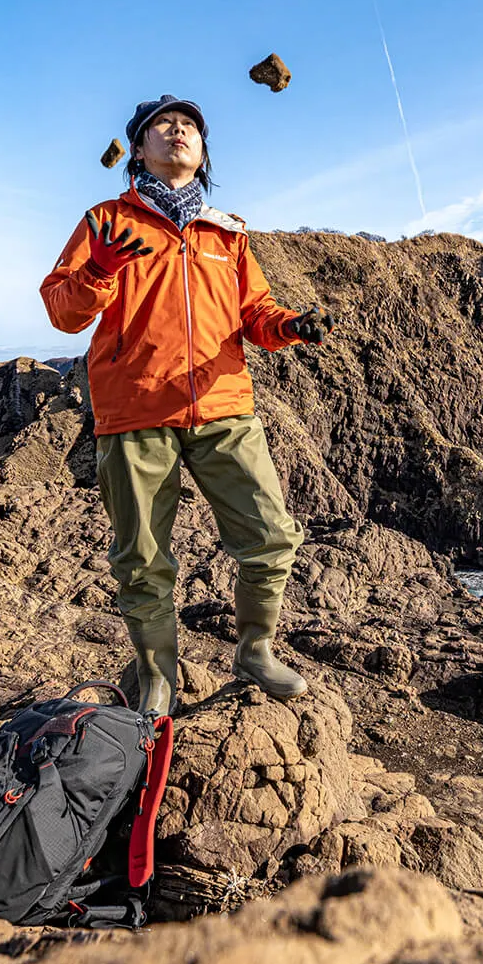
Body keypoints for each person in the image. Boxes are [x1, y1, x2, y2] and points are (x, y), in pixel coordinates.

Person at [40, 95, 334, 716]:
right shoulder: (105, 221)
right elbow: (64, 312)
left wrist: (290, 326)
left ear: (202, 151)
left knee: (272, 536)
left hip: (224, 406)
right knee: (143, 558)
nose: (179, 132)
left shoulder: (228, 232)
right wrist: (98, 269)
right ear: (138, 148)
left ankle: (255, 650)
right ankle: (156, 675)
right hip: (136, 410)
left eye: (190, 127)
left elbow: (254, 313)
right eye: (164, 125)